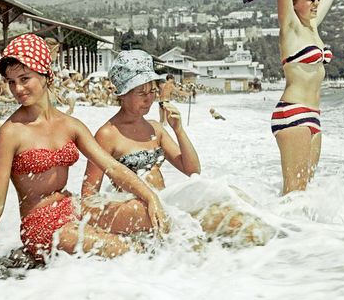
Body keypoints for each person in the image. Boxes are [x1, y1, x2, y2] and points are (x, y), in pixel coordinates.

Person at [0, 34, 167, 282]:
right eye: (11, 82)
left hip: (72, 207)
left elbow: (112, 167)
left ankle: (197, 269)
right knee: (128, 250)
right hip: (41, 226)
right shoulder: (11, 133)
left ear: (46, 75)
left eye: (25, 79)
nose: (18, 89)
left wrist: (150, 196)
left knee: (154, 215)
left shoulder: (70, 125)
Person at [85, 50, 272, 245]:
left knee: (232, 202)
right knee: (232, 221)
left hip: (167, 203)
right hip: (142, 213)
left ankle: (276, 232)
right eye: (141, 92)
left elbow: (192, 170)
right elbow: (89, 195)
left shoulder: (155, 129)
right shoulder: (107, 135)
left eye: (152, 91)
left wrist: (179, 130)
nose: (148, 98)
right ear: (122, 94)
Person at [262, 0, 343, 195]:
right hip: (292, 113)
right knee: (294, 193)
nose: (316, 1)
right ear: (296, 2)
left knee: (304, 191)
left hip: (314, 116)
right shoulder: (291, 27)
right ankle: (270, 236)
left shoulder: (313, 27)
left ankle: (294, 236)